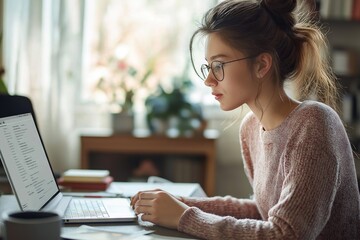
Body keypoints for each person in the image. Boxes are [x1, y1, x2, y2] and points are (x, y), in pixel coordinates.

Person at [130, 0, 360, 239]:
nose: (209, 79)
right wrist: (180, 203)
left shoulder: (314, 123)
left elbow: (285, 234)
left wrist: (183, 216)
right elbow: (264, 213)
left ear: (262, 65)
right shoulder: (250, 128)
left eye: (219, 65)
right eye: (208, 66)